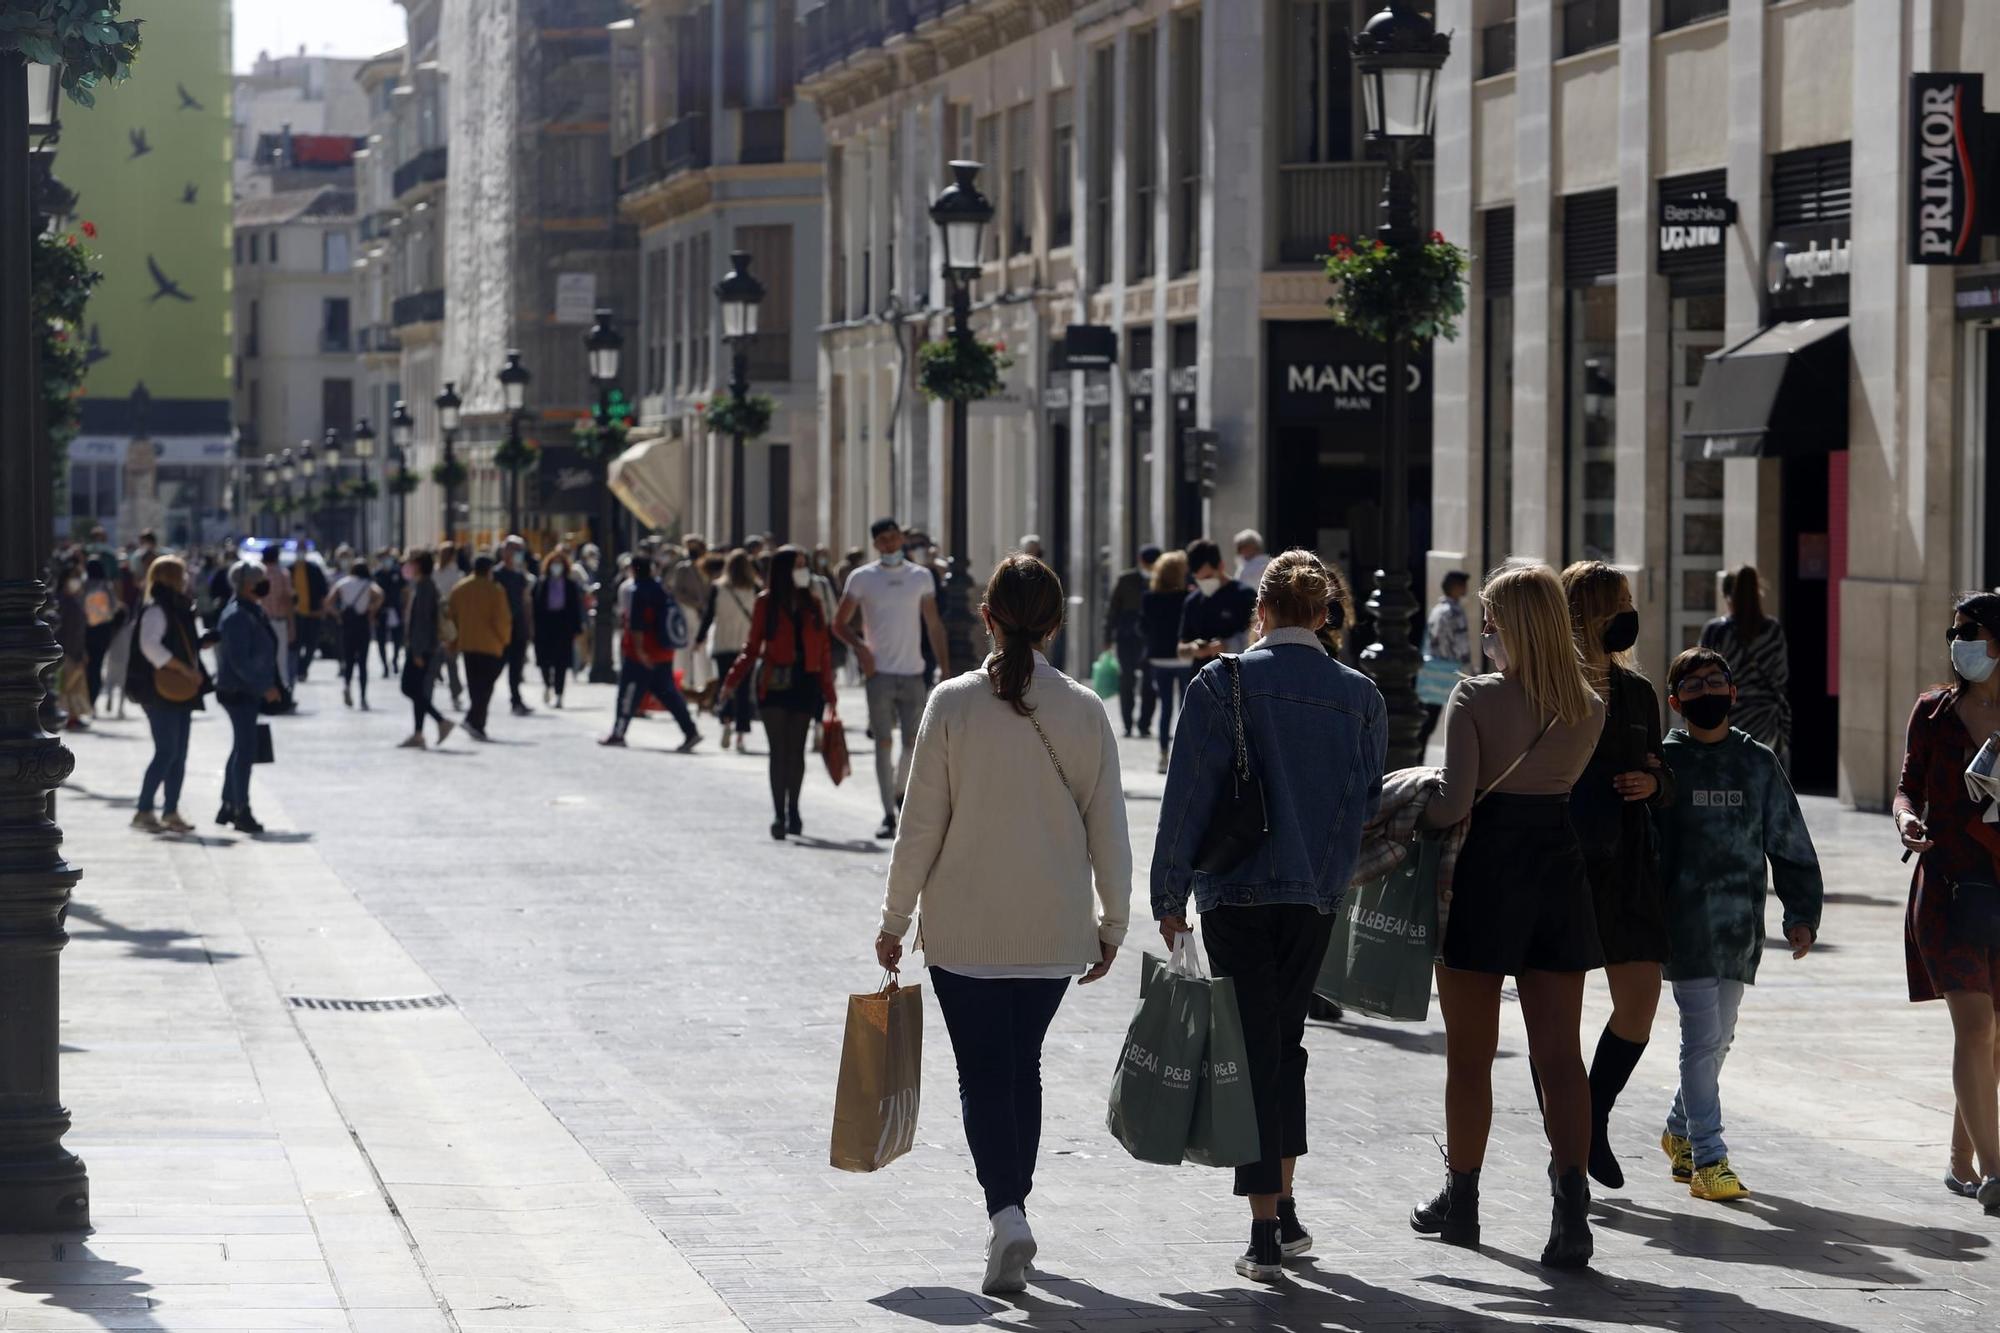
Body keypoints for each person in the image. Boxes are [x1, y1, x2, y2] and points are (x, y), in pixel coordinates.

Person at [874, 554, 1130, 1296]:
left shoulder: (951, 704)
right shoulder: (1084, 708)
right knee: (1023, 1066)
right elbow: (1108, 828)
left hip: (964, 930)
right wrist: (1113, 921)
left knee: (984, 1072)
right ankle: (1014, 1205)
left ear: (986, 617)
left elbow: (919, 827)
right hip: (1052, 931)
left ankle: (1006, 1210)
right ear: (1055, 623)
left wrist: (895, 918)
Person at [1152, 551, 1387, 1282]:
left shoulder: (1221, 682)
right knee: (1284, 1045)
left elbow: (1188, 793)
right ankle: (1282, 1207)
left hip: (1236, 891)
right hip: (1312, 894)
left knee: (1254, 1050)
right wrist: (1330, 876)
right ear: (1323, 615)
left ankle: (1264, 1227)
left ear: (1261, 611)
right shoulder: (1361, 697)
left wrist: (1170, 892)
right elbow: (1365, 806)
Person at [1412, 561, 1606, 1269]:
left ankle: (1461, 1201)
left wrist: (1412, 808)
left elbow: (1455, 804)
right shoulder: (1589, 704)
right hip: (1558, 869)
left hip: (1488, 873)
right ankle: (1570, 1213)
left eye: (1491, 621)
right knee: (1561, 1056)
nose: (1484, 633)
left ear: (1511, 626)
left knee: (1470, 1055)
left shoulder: (1474, 698)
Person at [1648, 647, 1820, 1206]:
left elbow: (1788, 838)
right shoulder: (1663, 763)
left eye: (1714, 682)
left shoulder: (1757, 762)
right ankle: (1708, 1158)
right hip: (1685, 925)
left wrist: (1801, 913)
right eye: (1692, 687)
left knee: (1719, 1039)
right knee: (1700, 1040)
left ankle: (1678, 1127)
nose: (1705, 693)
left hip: (1740, 927)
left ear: (1734, 693)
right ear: (1675, 703)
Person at [1560, 561, 1676, 1192]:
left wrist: (1654, 782)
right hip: (1564, 862)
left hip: (1629, 863)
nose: (1631, 613)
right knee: (1559, 1018)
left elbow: (1662, 768)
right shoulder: (1549, 687)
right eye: (1621, 602)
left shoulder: (1636, 693)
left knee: (1639, 1002)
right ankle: (1569, 1149)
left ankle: (1593, 1113)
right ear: (1590, 611)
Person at [1897, 592, 2000, 1216]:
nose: (1957, 642)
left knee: (1995, 1037)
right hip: (1948, 888)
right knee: (1976, 1024)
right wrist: (1906, 821)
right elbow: (1907, 785)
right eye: (1953, 631)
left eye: (1970, 631)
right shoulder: (1933, 711)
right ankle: (1995, 1173)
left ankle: (1961, 1159)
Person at [834, 518, 951, 839]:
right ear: (875, 545)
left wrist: (945, 668)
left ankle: (901, 794)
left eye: (894, 538)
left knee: (912, 744)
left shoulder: (921, 577)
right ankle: (888, 813)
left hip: (913, 671)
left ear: (901, 538)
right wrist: (861, 649)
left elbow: (934, 624)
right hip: (879, 673)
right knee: (883, 743)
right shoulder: (862, 578)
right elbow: (839, 623)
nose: (890, 544)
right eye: (883, 540)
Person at [721, 546, 840, 839]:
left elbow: (823, 650)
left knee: (796, 751)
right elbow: (752, 647)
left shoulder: (813, 603)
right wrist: (731, 681)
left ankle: (794, 810)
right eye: (798, 565)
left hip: (805, 681)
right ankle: (778, 813)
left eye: (805, 564)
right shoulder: (766, 603)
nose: (803, 570)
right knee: (779, 752)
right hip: (773, 680)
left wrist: (830, 691)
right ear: (784, 569)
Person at [128, 555, 211, 835]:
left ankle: (171, 810)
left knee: (179, 753)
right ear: (173, 578)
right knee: (167, 751)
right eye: (182, 574)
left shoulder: (176, 608)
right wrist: (186, 670)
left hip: (179, 690)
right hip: (160, 689)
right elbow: (151, 648)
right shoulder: (157, 610)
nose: (187, 578)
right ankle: (144, 809)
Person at [601, 553, 703, 751]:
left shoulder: (639, 591)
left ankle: (618, 732)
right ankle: (690, 731)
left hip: (642, 654)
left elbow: (637, 625)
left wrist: (640, 652)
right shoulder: (662, 589)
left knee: (627, 694)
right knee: (669, 695)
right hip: (664, 651)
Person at [1700, 566, 1792, 771]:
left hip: (1728, 717)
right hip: (1766, 718)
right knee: (1765, 778)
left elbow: (1699, 673)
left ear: (1727, 596)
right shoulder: (1772, 630)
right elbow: (1781, 676)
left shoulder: (1716, 631)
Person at [215, 561, 282, 834]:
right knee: (245, 751)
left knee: (241, 748)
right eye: (259, 581)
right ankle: (241, 809)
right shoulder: (238, 616)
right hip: (240, 691)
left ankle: (229, 804)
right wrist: (262, 685)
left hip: (245, 690)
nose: (265, 585)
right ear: (245, 585)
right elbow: (240, 661)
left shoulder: (250, 610)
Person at [447, 555, 513, 742]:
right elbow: (502, 619)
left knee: (475, 685)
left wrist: (453, 641)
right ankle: (475, 721)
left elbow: (450, 616)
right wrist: (504, 640)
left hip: (467, 644)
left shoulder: (460, 589)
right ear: (489, 570)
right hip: (490, 645)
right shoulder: (495, 590)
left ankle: (476, 722)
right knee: (485, 686)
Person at [1141, 550, 1193, 775]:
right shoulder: (1188, 597)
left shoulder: (1150, 598)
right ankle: (1185, 755)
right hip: (1183, 657)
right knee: (1186, 707)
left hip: (1159, 657)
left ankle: (1163, 754)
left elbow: (1142, 627)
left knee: (1165, 707)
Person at [703, 550, 762, 749]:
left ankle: (726, 722)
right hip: (747, 646)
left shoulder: (718, 588)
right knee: (744, 689)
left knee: (725, 685)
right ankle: (740, 735)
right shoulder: (754, 589)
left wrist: (699, 639)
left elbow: (708, 616)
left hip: (723, 643)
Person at [398, 550, 455, 750]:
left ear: (419, 565)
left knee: (408, 687)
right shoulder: (423, 586)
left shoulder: (425, 588)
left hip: (421, 649)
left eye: (411, 563)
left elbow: (422, 623)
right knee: (418, 691)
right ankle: (419, 733)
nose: (407, 567)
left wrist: (417, 652)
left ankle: (441, 721)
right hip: (422, 647)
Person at [1104, 545, 1161, 739]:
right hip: (1127, 637)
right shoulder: (1126, 579)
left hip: (1151, 638)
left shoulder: (1161, 580)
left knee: (1149, 683)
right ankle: (1128, 723)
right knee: (1127, 680)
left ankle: (1144, 723)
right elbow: (1113, 609)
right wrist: (1108, 636)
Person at [1179, 538, 1258, 666]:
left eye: (1208, 577)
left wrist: (1227, 646)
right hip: (1201, 677)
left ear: (1221, 566)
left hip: (1236, 676)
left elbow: (1257, 639)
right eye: (1198, 580)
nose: (1204, 583)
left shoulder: (1244, 595)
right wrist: (1193, 649)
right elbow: (1181, 649)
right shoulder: (1192, 601)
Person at [1418, 570, 1474, 752]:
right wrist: (1470, 671)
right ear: (1456, 587)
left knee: (1429, 717)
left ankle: (1418, 754)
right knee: (1461, 715)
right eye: (1463, 584)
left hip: (1434, 669)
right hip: (1451, 671)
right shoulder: (1454, 612)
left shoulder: (1437, 609)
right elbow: (1461, 644)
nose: (1466, 588)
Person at [532, 549, 585, 708]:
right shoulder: (541, 583)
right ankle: (548, 684)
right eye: (554, 564)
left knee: (561, 661)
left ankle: (559, 693)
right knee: (544, 660)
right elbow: (535, 606)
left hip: (563, 626)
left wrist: (577, 628)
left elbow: (575, 607)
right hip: (545, 625)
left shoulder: (570, 585)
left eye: (560, 564)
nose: (557, 567)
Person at [329, 560, 384, 710]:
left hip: (347, 625)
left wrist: (338, 615)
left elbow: (329, 602)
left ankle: (347, 685)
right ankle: (363, 697)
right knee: (362, 663)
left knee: (349, 659)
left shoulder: (343, 583)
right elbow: (380, 595)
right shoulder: (368, 584)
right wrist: (371, 610)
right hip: (362, 624)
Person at [495, 536, 536, 717]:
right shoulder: (495, 575)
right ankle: (480, 698)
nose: (517, 554)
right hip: (500, 629)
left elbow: (526, 602)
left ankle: (516, 700)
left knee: (516, 667)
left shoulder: (521, 577)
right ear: (504, 552)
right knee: (495, 667)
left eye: (520, 551)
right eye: (513, 549)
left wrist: (529, 626)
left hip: (518, 628)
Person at [81, 556, 125, 710]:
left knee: (86, 665)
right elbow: (114, 608)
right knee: (98, 665)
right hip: (102, 631)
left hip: (85, 630)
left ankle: (86, 699)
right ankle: (92, 699)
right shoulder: (106, 586)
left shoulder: (83, 586)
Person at [57, 558, 92, 730]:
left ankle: (74, 716)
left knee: (75, 685)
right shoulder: (63, 601)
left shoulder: (73, 600)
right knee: (68, 686)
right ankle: (69, 717)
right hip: (66, 651)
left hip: (74, 649)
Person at [433, 540, 465, 710]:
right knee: (451, 658)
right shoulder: (457, 575)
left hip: (438, 619)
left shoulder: (434, 573)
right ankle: (455, 692)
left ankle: (448, 688)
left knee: (441, 657)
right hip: (450, 619)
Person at [259, 544, 296, 690]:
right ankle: (282, 691)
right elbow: (287, 600)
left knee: (262, 658)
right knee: (281, 659)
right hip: (278, 621)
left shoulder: (258, 573)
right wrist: (291, 625)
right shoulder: (283, 574)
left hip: (260, 623)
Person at [374, 549, 406, 679]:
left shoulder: (398, 573)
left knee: (397, 638)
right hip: (380, 611)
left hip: (396, 609)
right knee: (381, 640)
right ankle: (385, 666)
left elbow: (405, 591)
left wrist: (404, 609)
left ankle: (395, 659)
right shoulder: (377, 574)